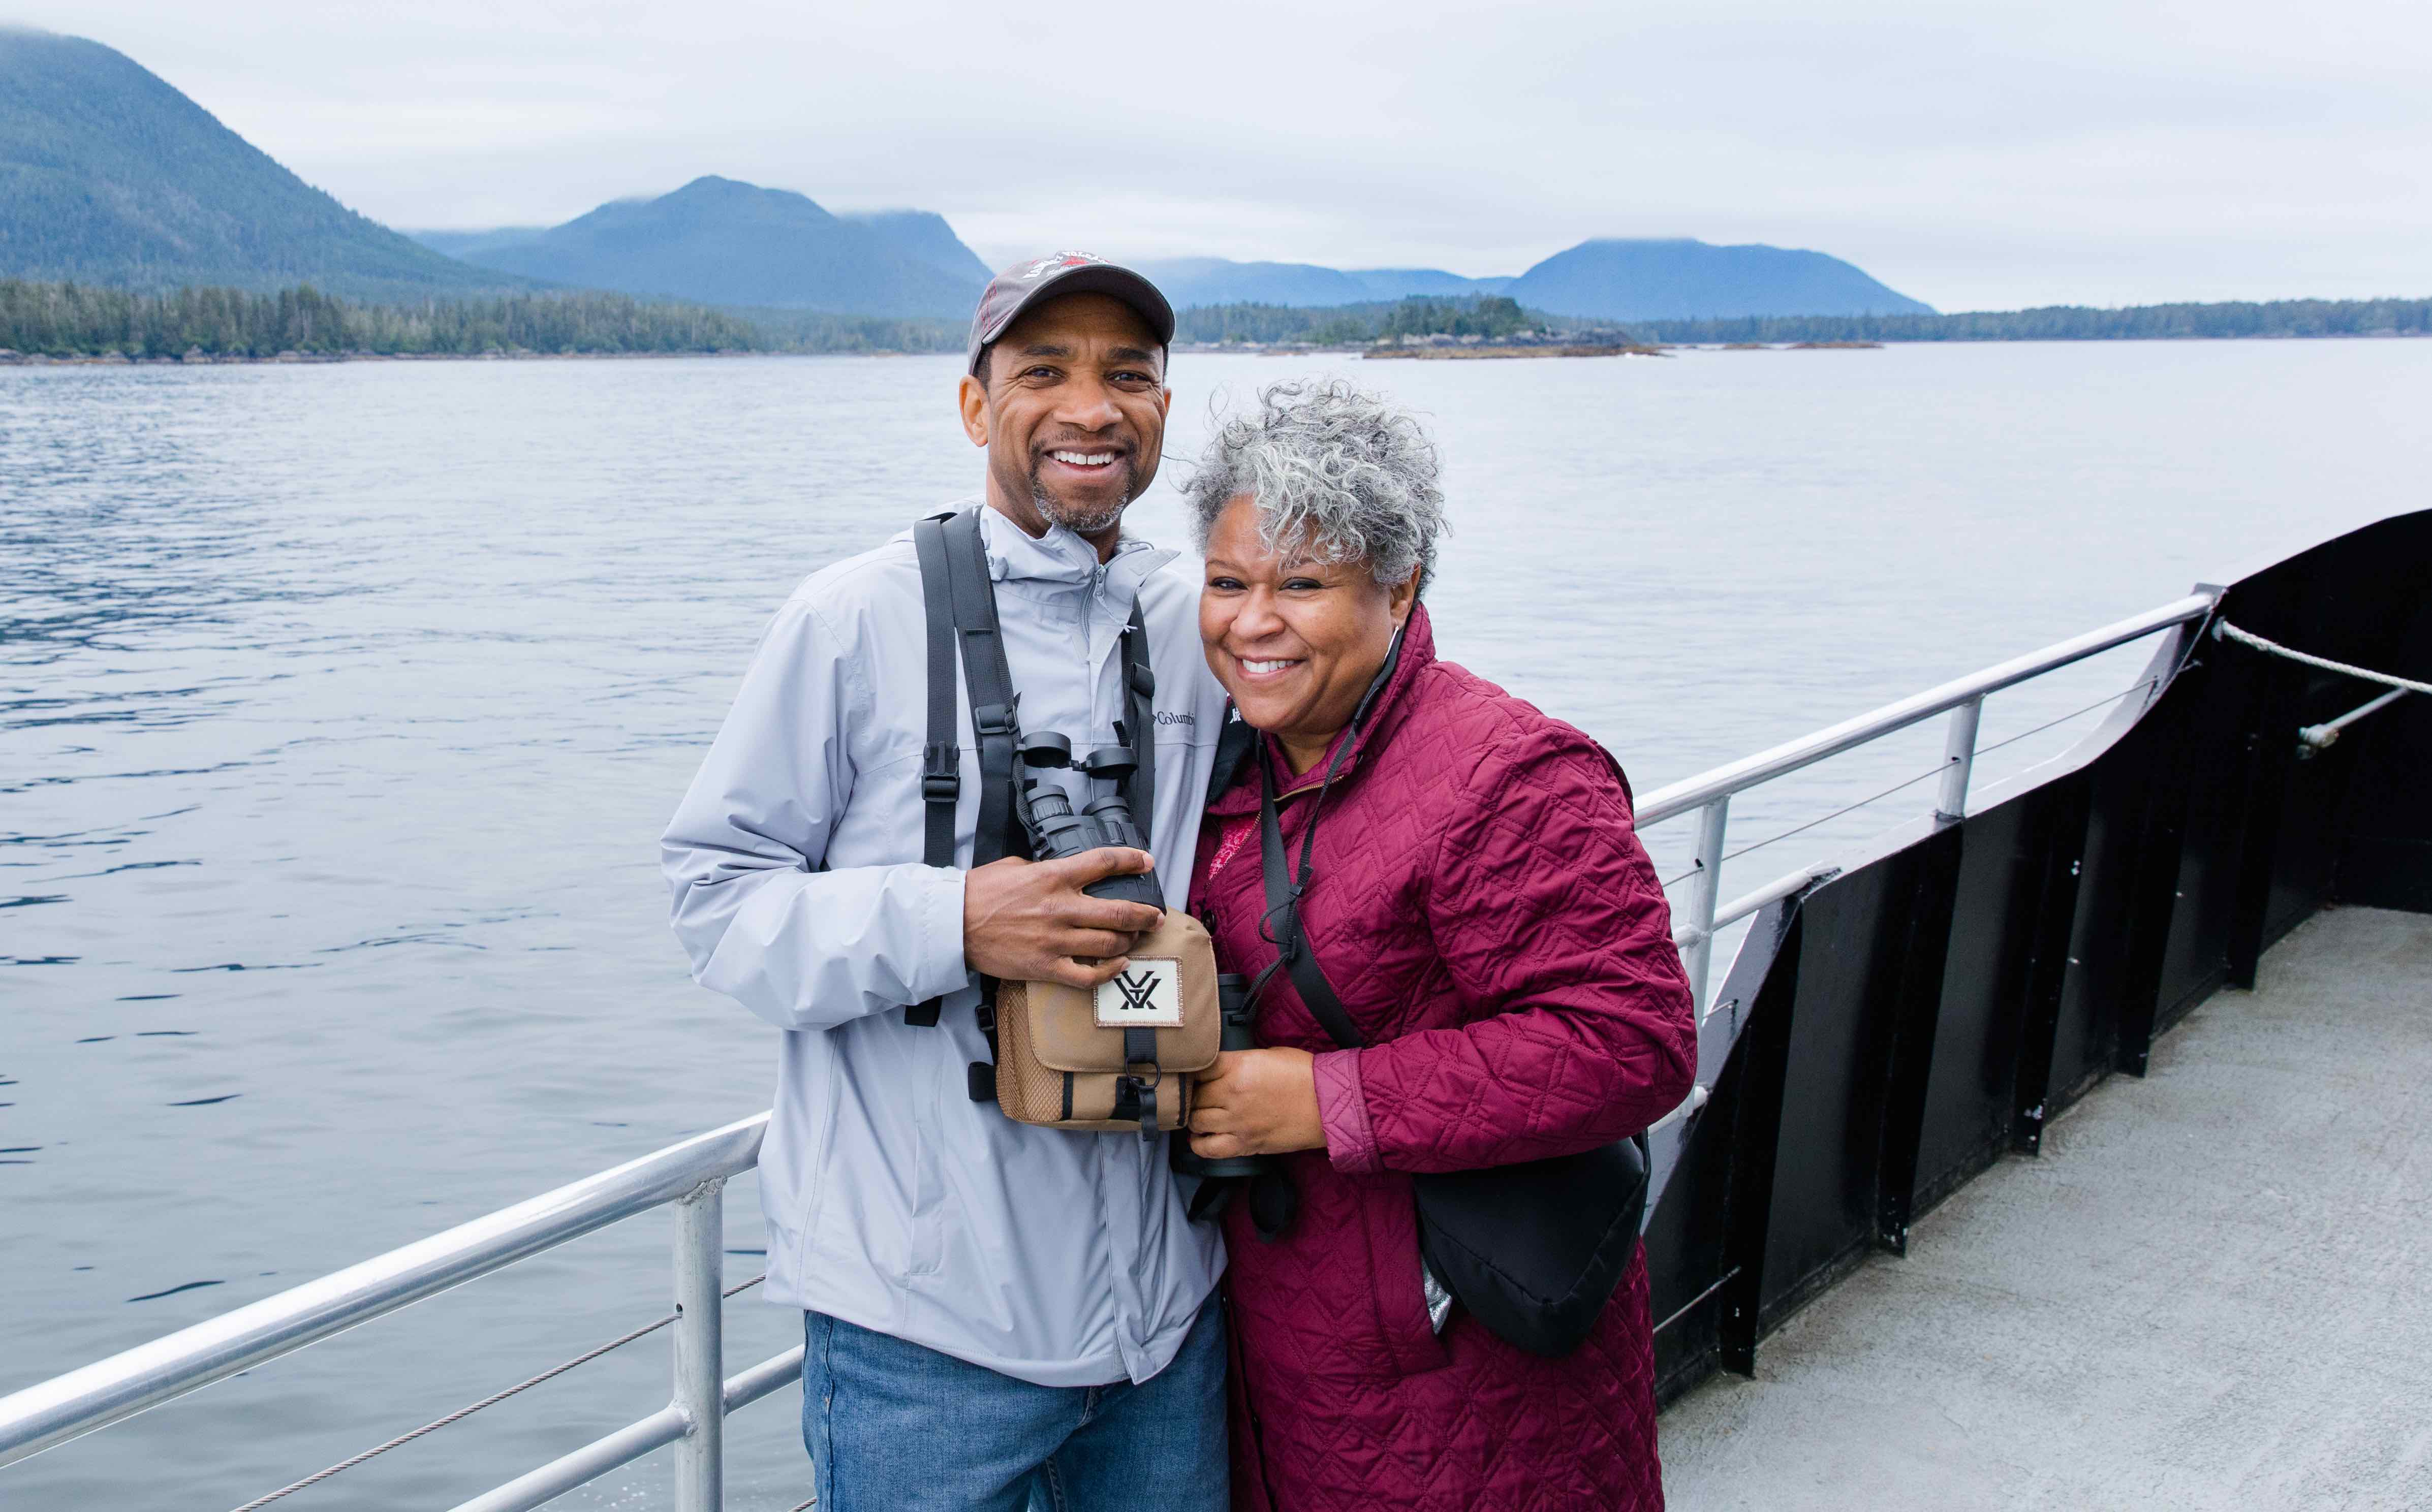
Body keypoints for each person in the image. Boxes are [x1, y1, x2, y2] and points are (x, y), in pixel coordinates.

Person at [661, 254, 1232, 1512]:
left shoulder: (1209, 624)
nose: (1091, 407)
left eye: (1126, 376)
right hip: (921, 1332)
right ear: (974, 408)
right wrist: (956, 921)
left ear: (1162, 413)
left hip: (1170, 1319)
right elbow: (715, 898)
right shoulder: (849, 620)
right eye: (1044, 372)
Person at [1179, 382, 1698, 1512]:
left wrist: (1325, 1101)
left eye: (1302, 585)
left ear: (1398, 587)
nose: (1250, 622)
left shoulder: (1509, 776)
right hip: (1277, 1346)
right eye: (1227, 582)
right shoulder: (1228, 768)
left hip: (1461, 1355)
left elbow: (1629, 1043)